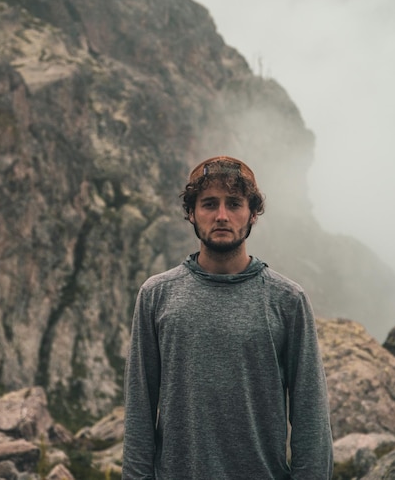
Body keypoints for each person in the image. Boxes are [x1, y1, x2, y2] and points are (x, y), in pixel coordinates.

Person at [122, 156, 333, 480]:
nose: (222, 215)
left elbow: (311, 419)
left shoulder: (288, 300)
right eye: (209, 204)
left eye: (234, 203)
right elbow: (139, 412)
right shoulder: (156, 295)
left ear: (252, 214)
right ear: (191, 213)